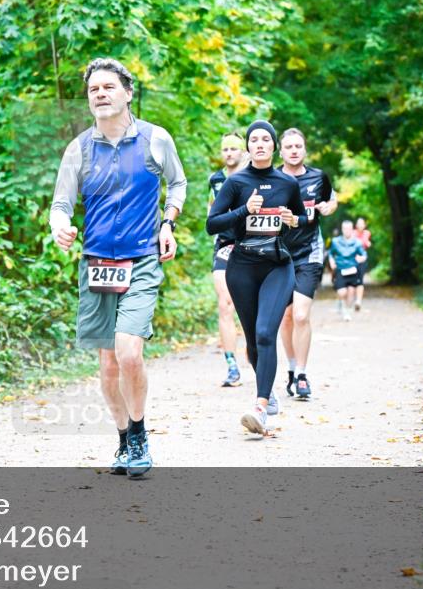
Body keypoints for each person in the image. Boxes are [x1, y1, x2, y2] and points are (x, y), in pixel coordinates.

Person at [49, 58, 187, 477]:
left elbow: (177, 183)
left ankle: (140, 435)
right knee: (108, 363)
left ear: (128, 92)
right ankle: (124, 437)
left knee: (129, 352)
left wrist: (168, 222)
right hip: (96, 263)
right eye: (94, 89)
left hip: (141, 258)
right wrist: (60, 227)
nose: (101, 94)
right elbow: (61, 204)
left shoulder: (154, 139)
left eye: (109, 87)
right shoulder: (78, 149)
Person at [207, 120, 306, 436]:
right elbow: (212, 224)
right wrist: (244, 211)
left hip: (277, 266)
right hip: (242, 268)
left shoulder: (287, 183)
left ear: (274, 146)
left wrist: (293, 220)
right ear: (248, 147)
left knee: (265, 333)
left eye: (266, 139)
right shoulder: (235, 183)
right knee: (252, 341)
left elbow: (303, 218)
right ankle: (267, 388)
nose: (260, 144)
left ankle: (260, 407)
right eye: (254, 140)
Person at [276, 128, 337, 400]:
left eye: (298, 146)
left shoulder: (318, 177)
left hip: (309, 252)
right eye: (288, 146)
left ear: (305, 150)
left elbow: (332, 198)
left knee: (301, 315)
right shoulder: (272, 178)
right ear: (281, 151)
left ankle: (302, 374)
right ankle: (291, 369)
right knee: (286, 317)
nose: (294, 150)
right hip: (278, 254)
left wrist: (329, 207)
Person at [208, 133, 248, 387]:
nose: (229, 153)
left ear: (243, 151)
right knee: (225, 304)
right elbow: (211, 211)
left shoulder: (254, 176)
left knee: (251, 306)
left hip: (251, 244)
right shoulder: (216, 179)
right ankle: (232, 365)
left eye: (234, 148)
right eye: (225, 149)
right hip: (224, 245)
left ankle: (254, 348)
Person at [329, 220, 367, 321]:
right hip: (340, 269)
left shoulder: (357, 243)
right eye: (345, 229)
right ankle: (342, 303)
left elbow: (364, 254)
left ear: (352, 229)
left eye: (349, 229)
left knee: (351, 293)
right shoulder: (335, 241)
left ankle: (346, 311)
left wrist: (362, 258)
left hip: (353, 270)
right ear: (342, 229)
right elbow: (331, 253)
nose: (347, 231)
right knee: (342, 292)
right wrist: (332, 261)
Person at [353, 217, 372, 310]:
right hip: (352, 259)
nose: (360, 225)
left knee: (360, 280)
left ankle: (358, 301)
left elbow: (365, 243)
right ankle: (352, 299)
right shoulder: (352, 233)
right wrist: (366, 243)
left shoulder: (367, 233)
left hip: (362, 259)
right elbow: (363, 243)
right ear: (356, 225)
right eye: (359, 223)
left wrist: (366, 243)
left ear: (364, 225)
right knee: (352, 280)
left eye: (362, 223)